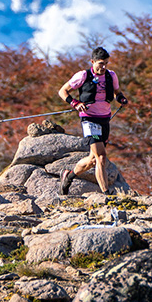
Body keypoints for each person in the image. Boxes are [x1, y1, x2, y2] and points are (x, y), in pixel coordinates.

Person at [57, 46, 128, 195]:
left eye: (106, 63)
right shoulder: (83, 75)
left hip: (105, 119)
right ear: (92, 62)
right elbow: (62, 91)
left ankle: (68, 176)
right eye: (101, 63)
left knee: (93, 160)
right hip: (89, 119)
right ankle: (106, 194)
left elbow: (117, 92)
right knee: (101, 157)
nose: (103, 67)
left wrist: (121, 98)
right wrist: (74, 103)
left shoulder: (111, 76)